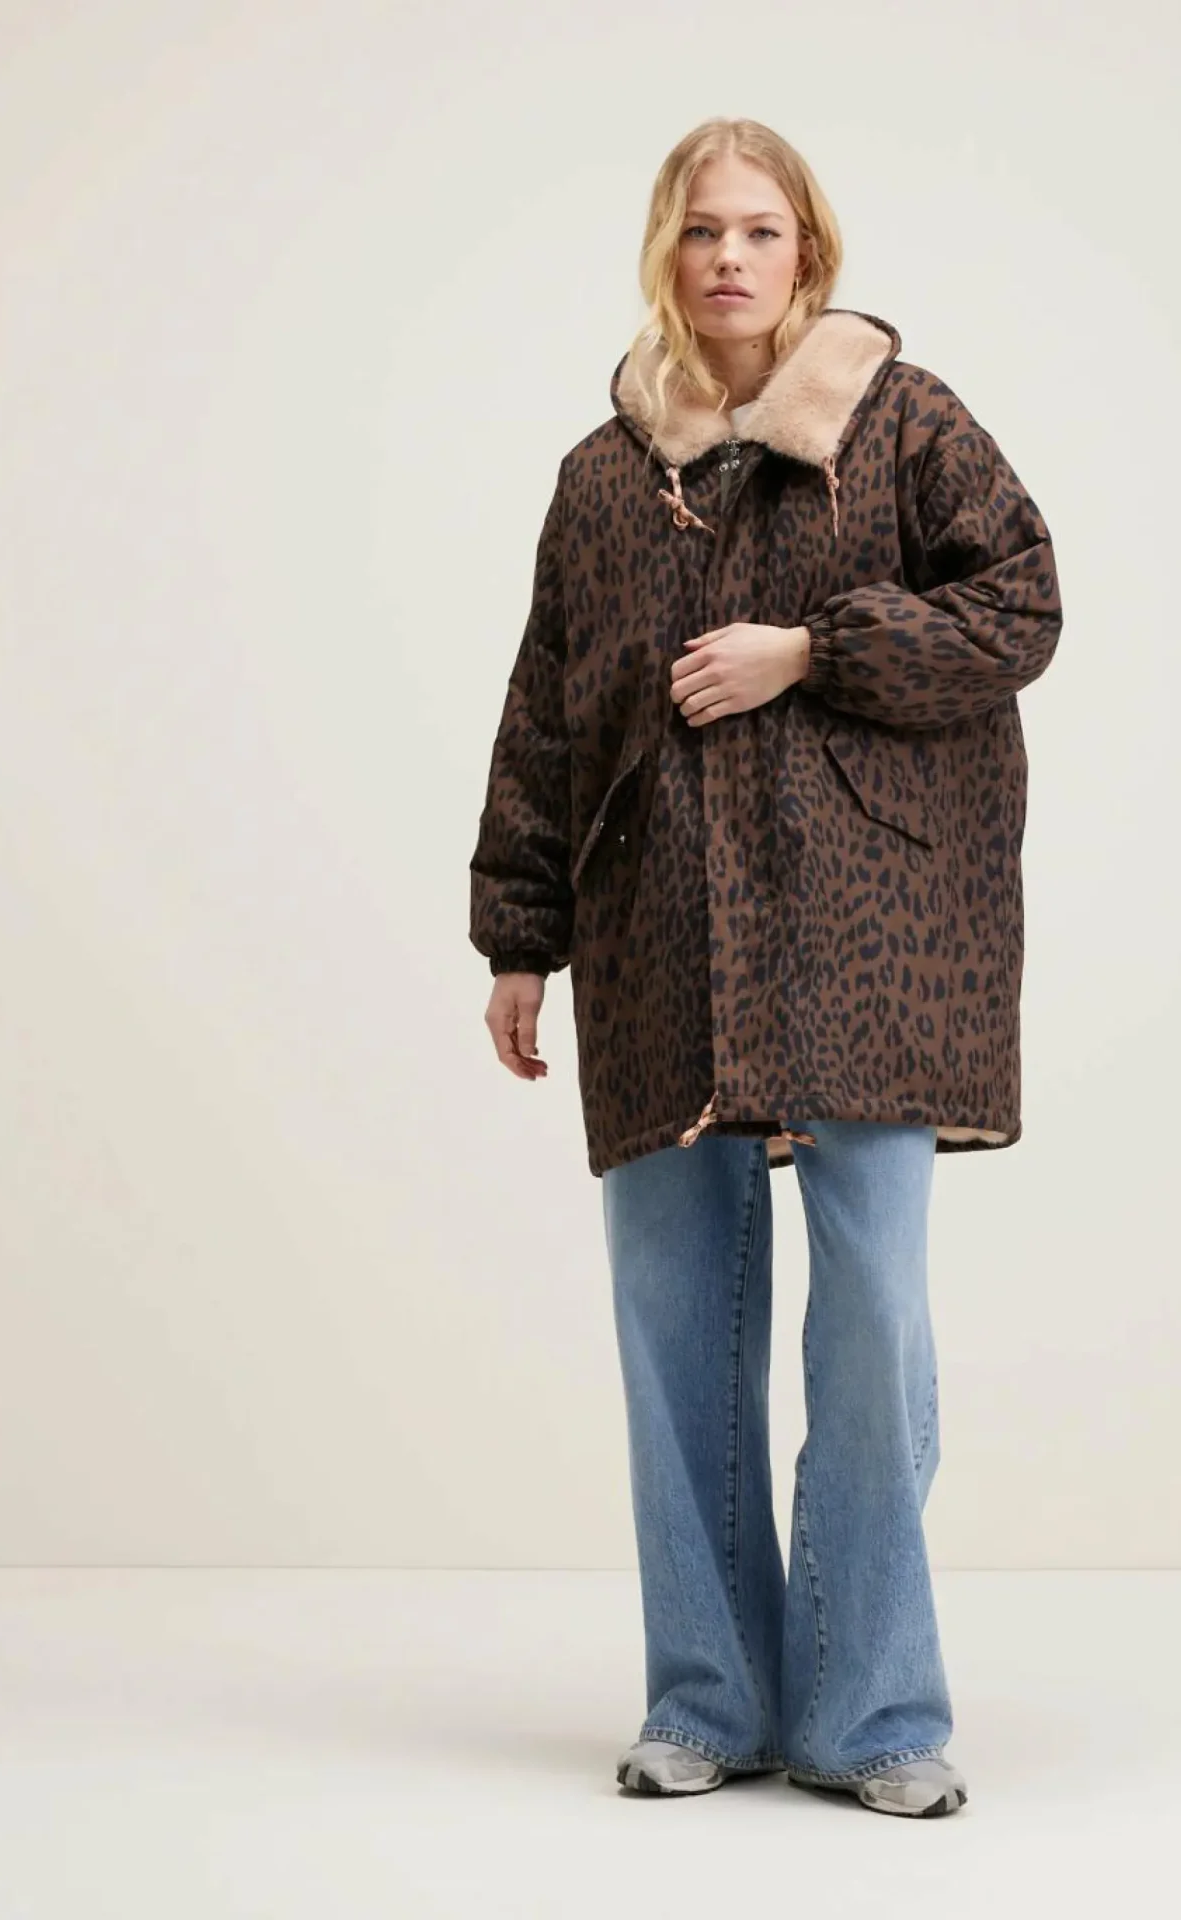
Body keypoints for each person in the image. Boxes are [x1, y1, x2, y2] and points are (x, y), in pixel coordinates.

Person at [467, 116, 1061, 1819]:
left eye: (761, 231)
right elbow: (547, 711)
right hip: (657, 937)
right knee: (674, 1331)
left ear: (811, 253)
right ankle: (707, 1700)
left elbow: (1022, 603)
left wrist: (814, 648)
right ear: (665, 253)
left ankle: (871, 1713)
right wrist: (520, 934)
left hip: (872, 934)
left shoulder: (903, 424)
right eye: (701, 230)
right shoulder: (603, 477)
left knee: (871, 1325)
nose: (729, 258)